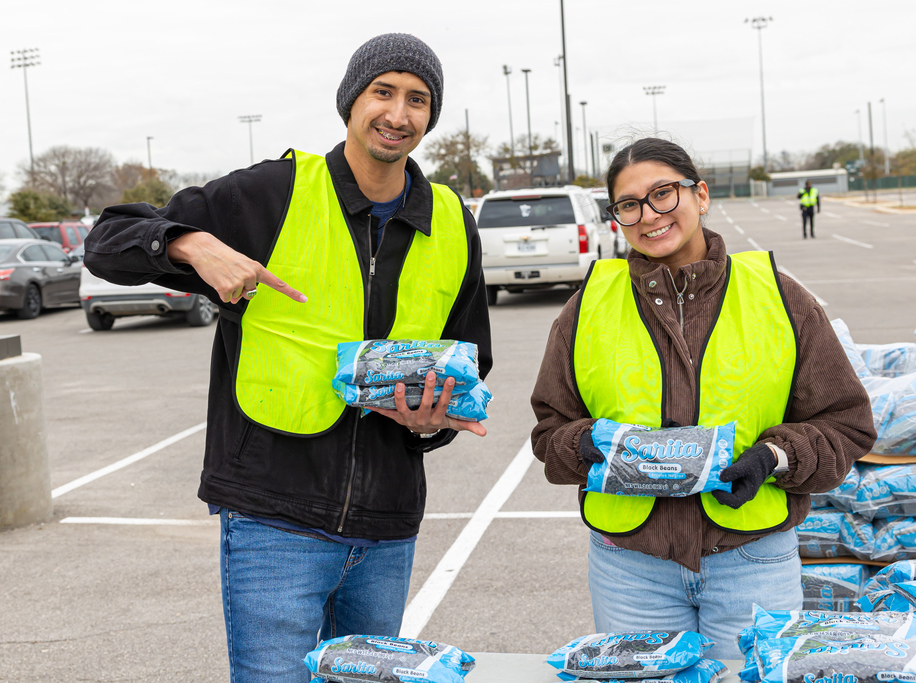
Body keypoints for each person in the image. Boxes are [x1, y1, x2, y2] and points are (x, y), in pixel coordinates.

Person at [84, 33, 491, 682]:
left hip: (387, 523)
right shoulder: (273, 194)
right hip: (274, 519)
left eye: (418, 100)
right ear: (350, 102)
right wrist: (190, 244)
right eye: (382, 92)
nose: (398, 113)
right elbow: (107, 240)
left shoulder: (449, 219)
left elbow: (471, 356)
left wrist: (432, 419)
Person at [530, 138, 875, 660]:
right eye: (629, 205)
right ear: (616, 218)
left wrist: (775, 457)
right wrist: (586, 444)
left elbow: (847, 423)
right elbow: (549, 431)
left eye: (664, 194)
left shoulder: (780, 298)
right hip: (630, 568)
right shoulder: (586, 309)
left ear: (701, 195)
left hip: (751, 560)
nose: (649, 215)